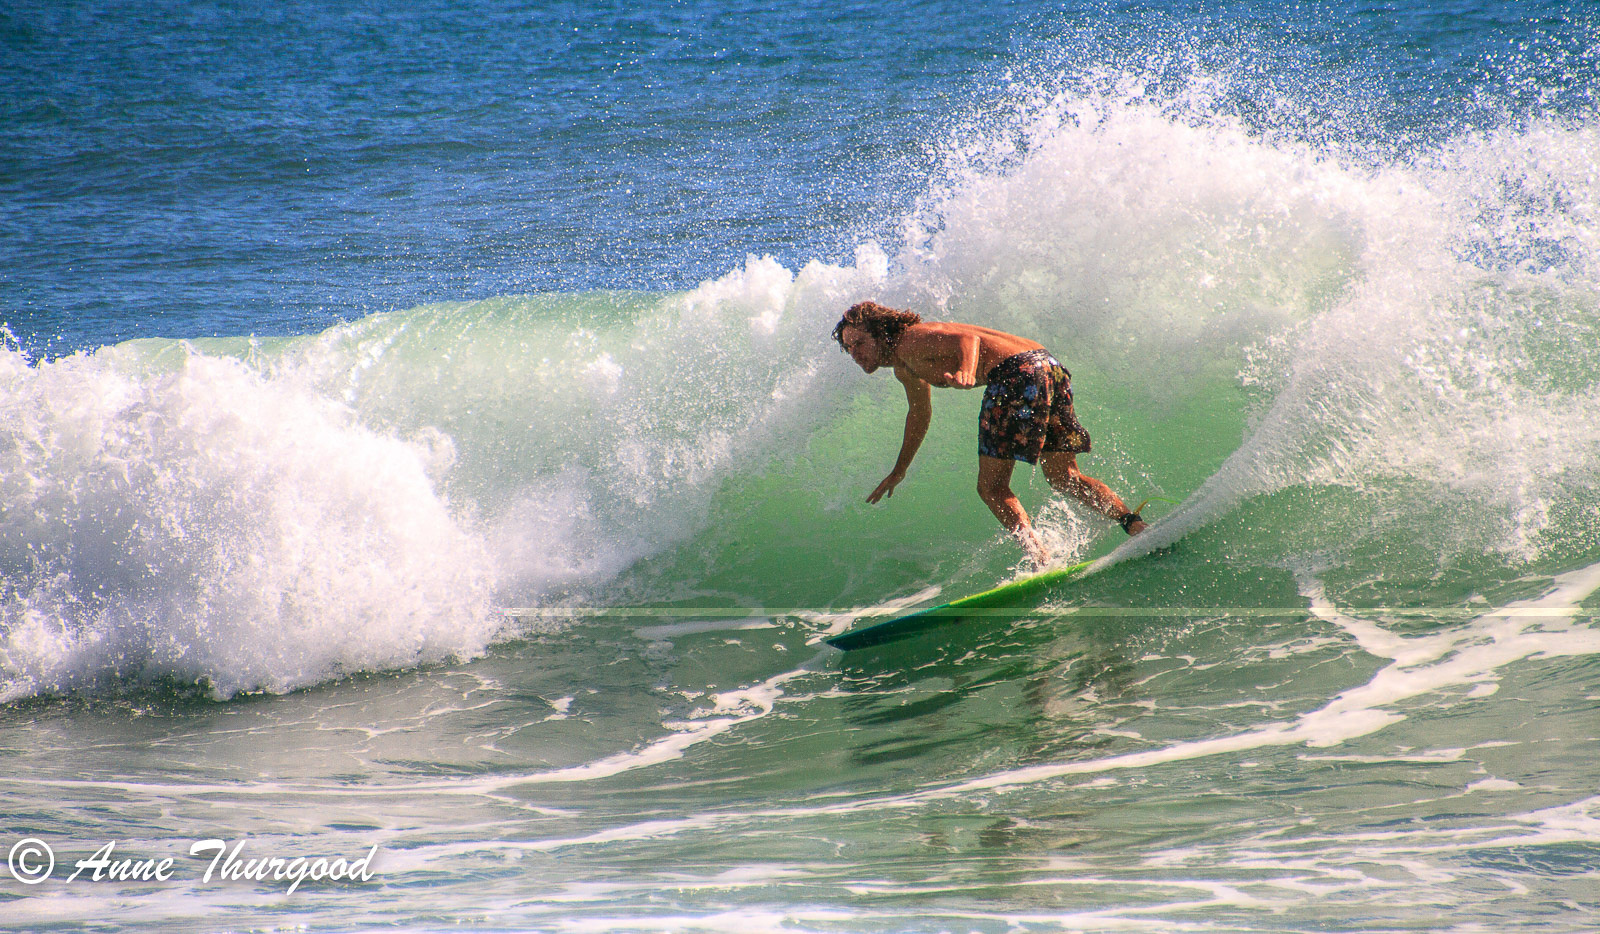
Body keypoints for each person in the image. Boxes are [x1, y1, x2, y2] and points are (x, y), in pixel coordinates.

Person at [833, 300, 1145, 565]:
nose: (855, 353)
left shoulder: (910, 341)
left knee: (992, 488)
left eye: (859, 343)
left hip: (1015, 374)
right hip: (1049, 367)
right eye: (848, 349)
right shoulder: (905, 366)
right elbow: (919, 414)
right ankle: (1134, 525)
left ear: (879, 334)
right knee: (1064, 476)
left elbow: (968, 341)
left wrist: (966, 372)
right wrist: (899, 470)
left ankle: (1040, 561)